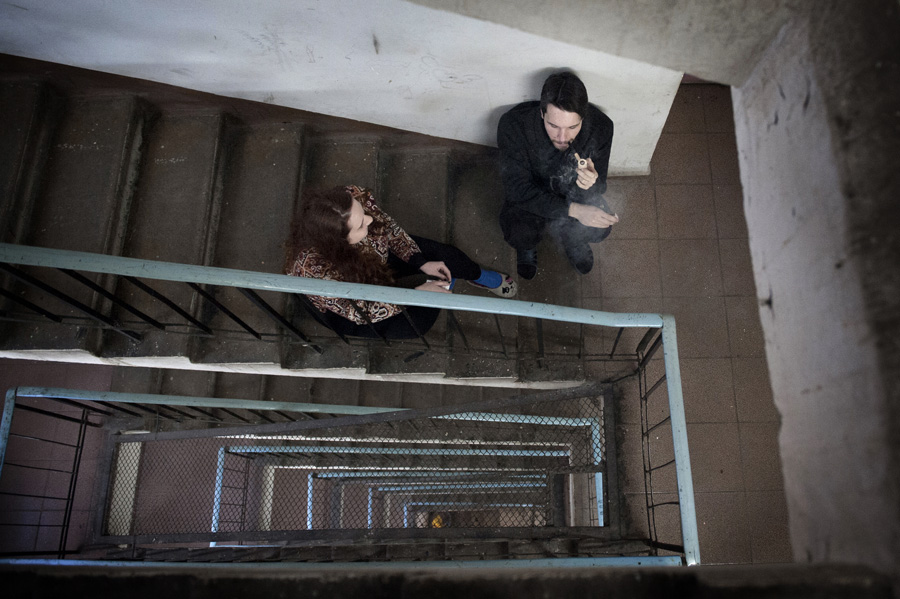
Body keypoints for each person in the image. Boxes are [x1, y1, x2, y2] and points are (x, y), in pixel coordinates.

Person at [285, 185, 517, 339]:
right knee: (418, 322)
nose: (369, 218)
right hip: (354, 296)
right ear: (339, 242)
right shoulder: (317, 273)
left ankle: (477, 276)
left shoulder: (351, 195)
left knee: (443, 256)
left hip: (377, 258)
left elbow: (388, 228)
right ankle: (427, 290)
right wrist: (416, 294)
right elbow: (363, 311)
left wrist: (418, 261)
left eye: (362, 211)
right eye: (360, 225)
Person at [497, 71, 619, 279]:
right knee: (519, 231)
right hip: (531, 195)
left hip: (570, 193)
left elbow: (599, 187)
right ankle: (528, 246)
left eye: (573, 126)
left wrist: (590, 183)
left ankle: (574, 241)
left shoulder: (601, 127)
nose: (563, 137)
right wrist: (575, 211)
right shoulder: (513, 125)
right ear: (542, 113)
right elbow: (517, 189)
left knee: (600, 229)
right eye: (553, 126)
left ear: (584, 117)